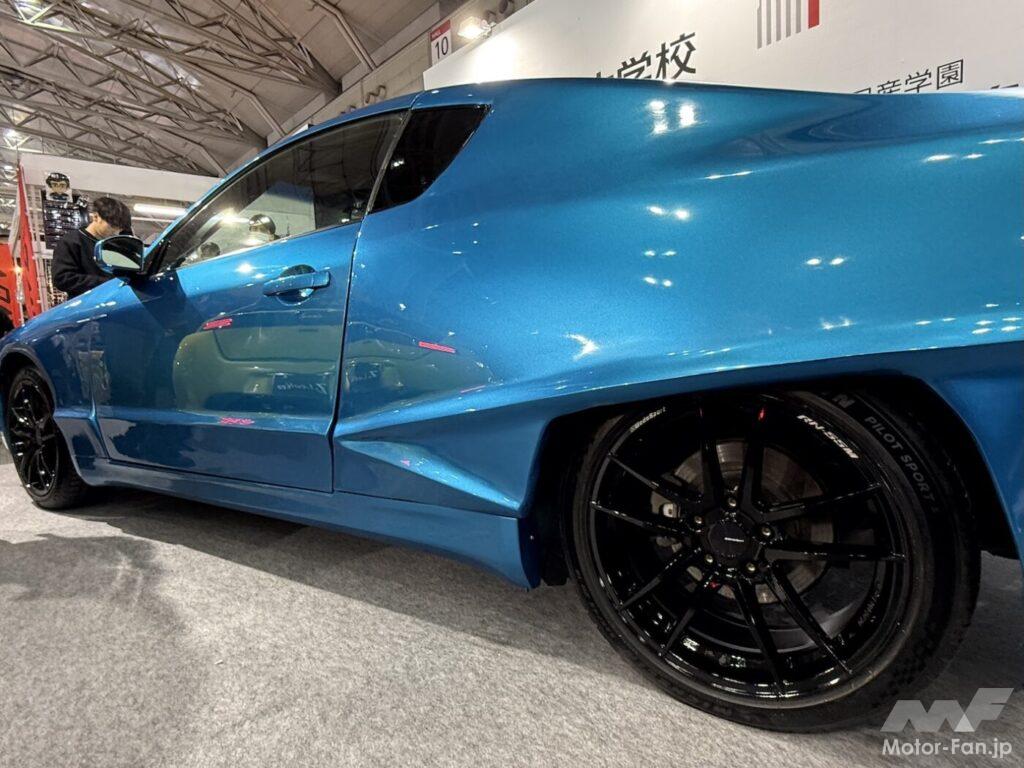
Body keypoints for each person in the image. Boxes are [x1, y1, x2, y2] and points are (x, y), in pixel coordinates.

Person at [52, 196, 133, 299]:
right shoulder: (71, 241)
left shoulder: (115, 245)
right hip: (85, 304)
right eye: (112, 226)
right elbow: (62, 278)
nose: (116, 232)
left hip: (115, 302)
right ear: (96, 217)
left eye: (120, 229)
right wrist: (107, 283)